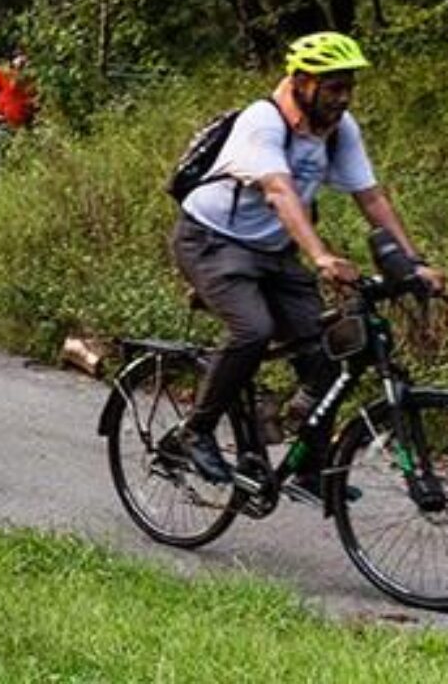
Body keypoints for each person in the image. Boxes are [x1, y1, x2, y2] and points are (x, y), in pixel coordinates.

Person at [171, 31, 444, 498]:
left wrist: (416, 263)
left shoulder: (339, 128)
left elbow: (371, 198)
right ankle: (195, 433)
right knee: (252, 331)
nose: (343, 98)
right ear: (301, 81)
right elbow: (279, 191)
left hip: (273, 252)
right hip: (212, 241)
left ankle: (310, 468)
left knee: (329, 350)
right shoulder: (264, 120)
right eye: (333, 87)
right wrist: (320, 255)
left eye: (348, 87)